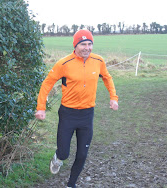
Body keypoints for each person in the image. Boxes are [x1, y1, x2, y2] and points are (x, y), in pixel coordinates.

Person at [35, 29, 118, 188]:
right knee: (64, 153)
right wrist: (41, 107)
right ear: (75, 45)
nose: (87, 48)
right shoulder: (64, 63)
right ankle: (58, 158)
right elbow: (47, 83)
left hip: (87, 115)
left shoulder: (98, 61)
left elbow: (107, 78)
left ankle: (70, 184)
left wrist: (113, 97)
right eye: (83, 44)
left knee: (82, 155)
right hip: (68, 114)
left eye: (90, 44)